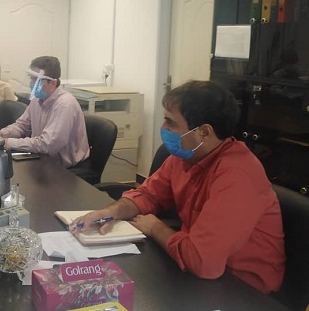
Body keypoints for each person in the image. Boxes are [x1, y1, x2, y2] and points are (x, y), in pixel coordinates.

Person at [71, 80, 285, 294]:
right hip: (200, 271)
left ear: (204, 132)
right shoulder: (186, 156)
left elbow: (202, 261)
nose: (163, 128)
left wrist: (156, 228)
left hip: (243, 289)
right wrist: (110, 212)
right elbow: (148, 195)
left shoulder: (238, 175)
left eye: (171, 123)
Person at [0, 56, 89, 167]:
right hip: (43, 159)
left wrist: (7, 142)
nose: (32, 83)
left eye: (37, 79)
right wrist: (0, 134)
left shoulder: (64, 104)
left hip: (66, 168)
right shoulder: (37, 100)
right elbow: (22, 126)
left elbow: (47, 144)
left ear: (52, 83)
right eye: (31, 78)